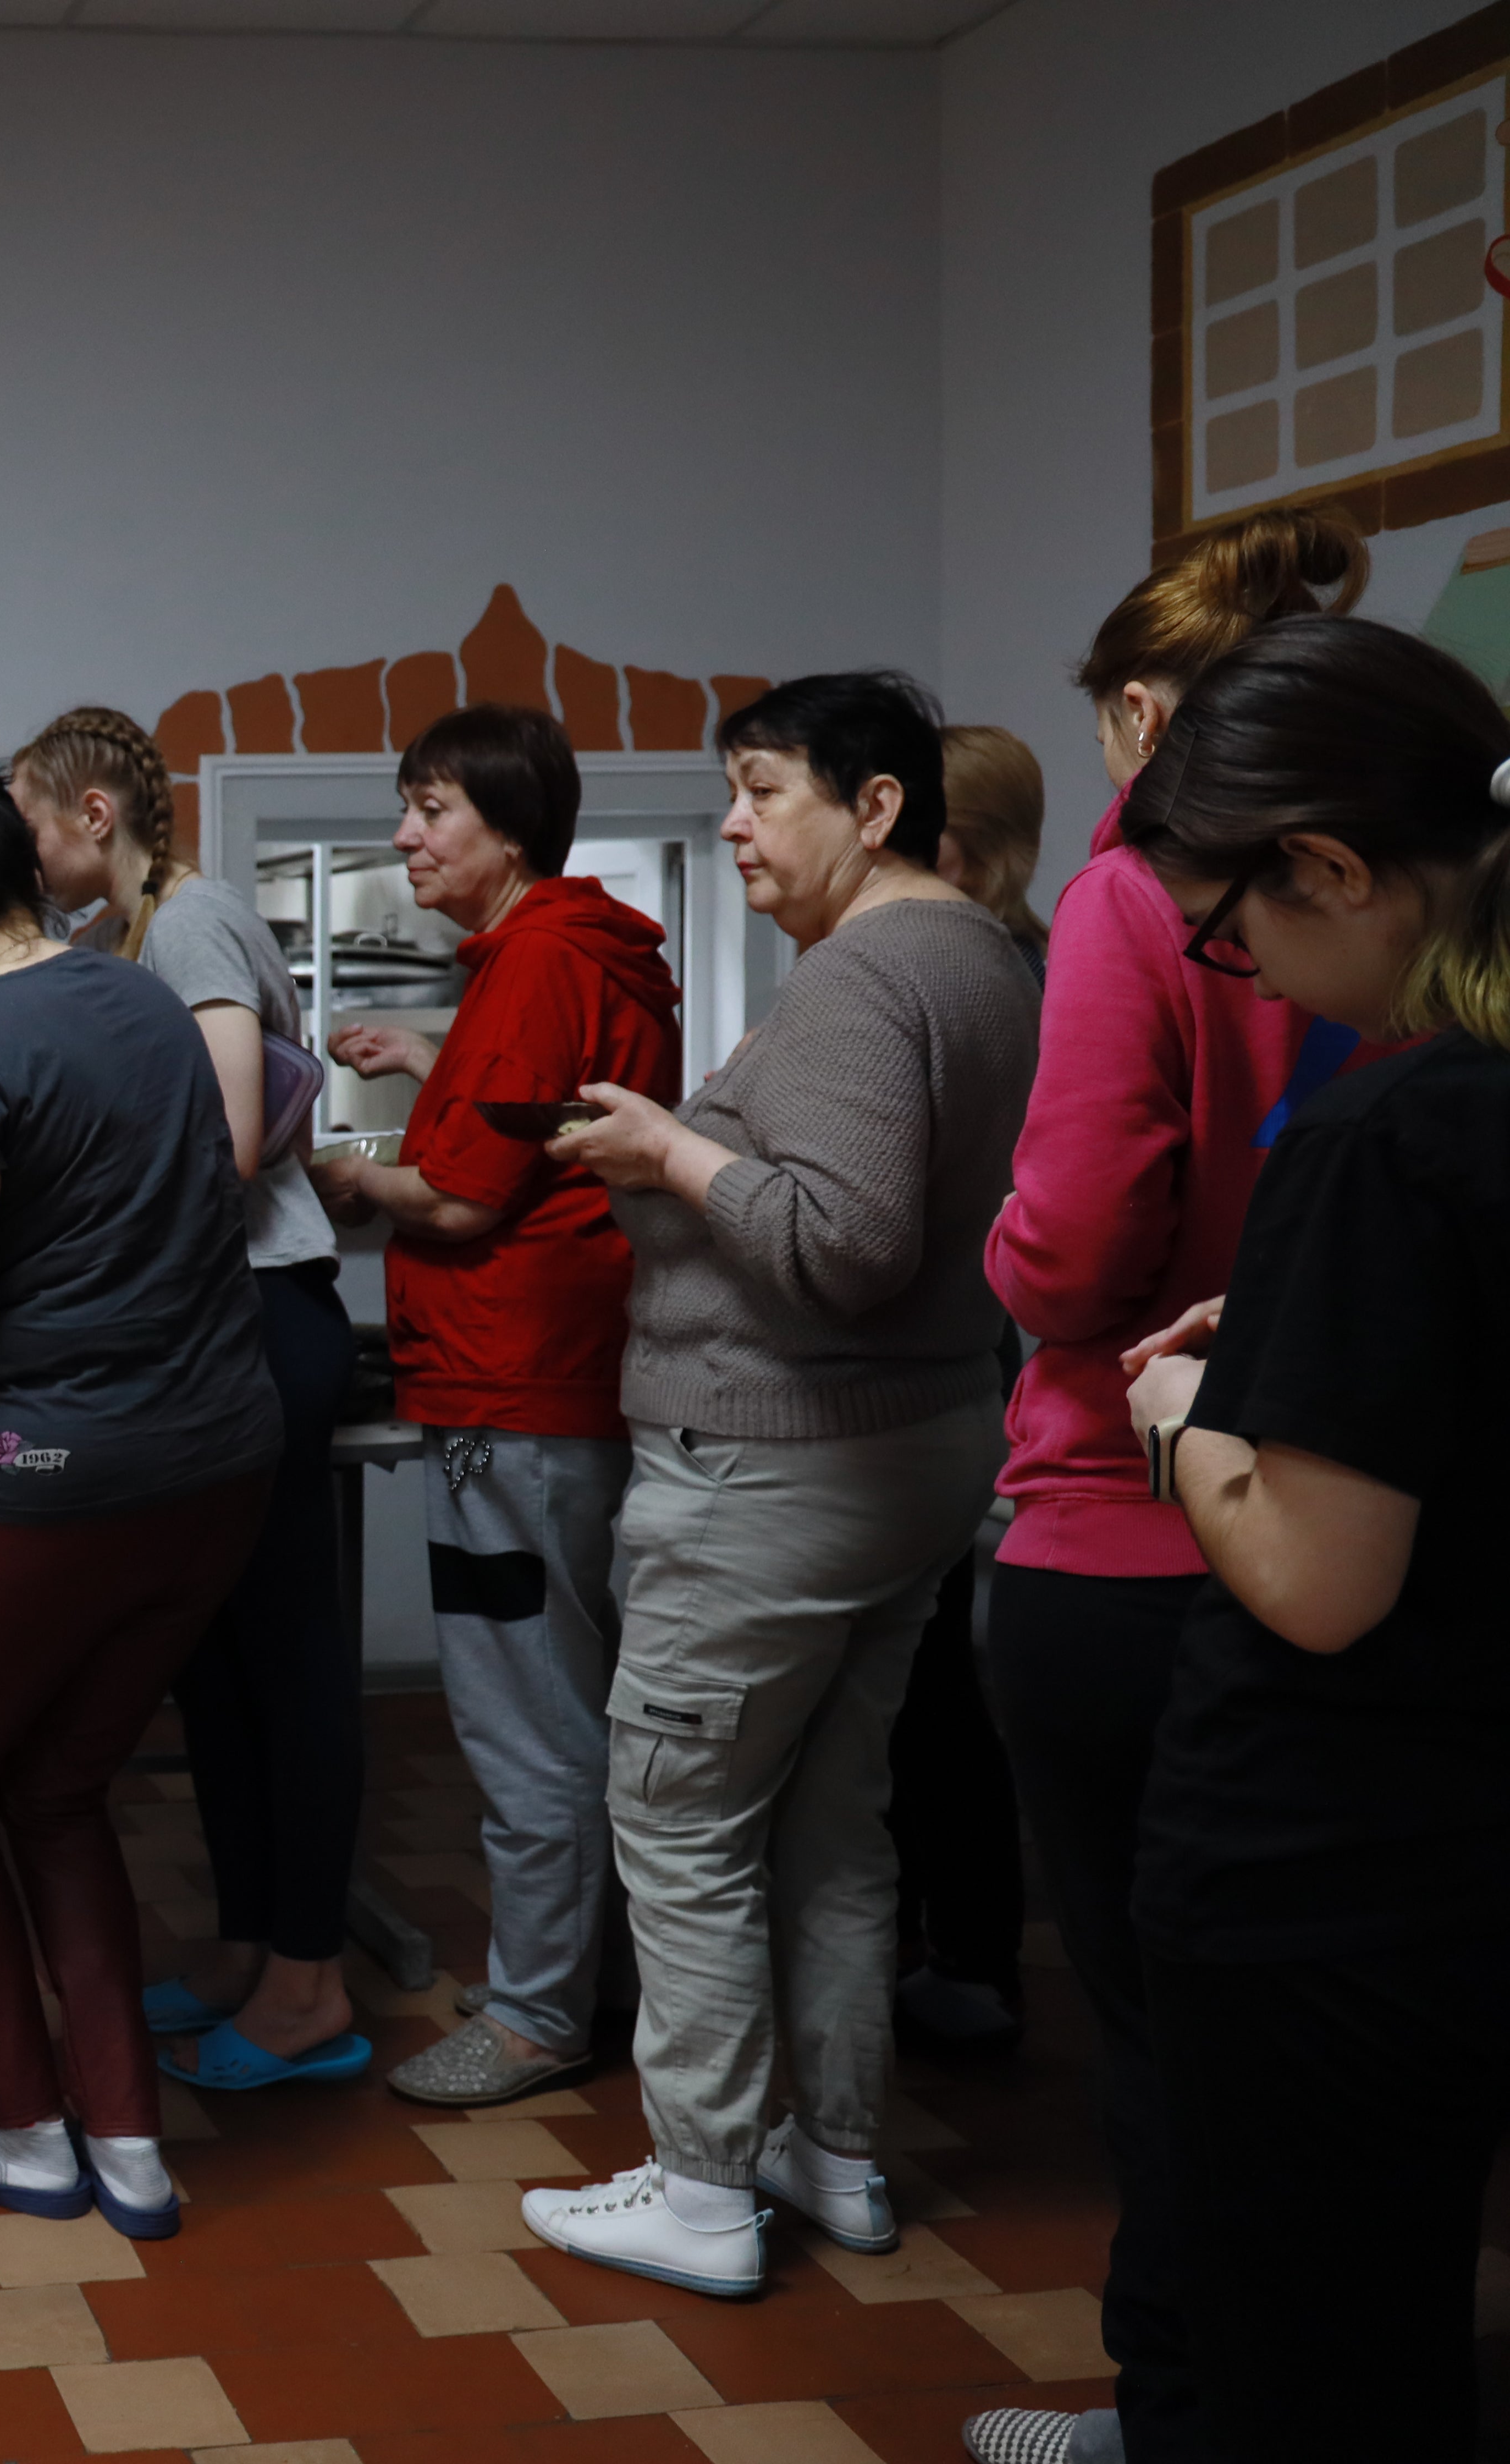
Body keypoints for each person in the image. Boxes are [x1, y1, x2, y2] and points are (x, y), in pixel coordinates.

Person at [532, 673, 1035, 2299]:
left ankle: (697, 2186)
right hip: (918, 1448)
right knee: (833, 1821)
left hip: (776, 1468)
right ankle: (832, 2152)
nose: (732, 824)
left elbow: (839, 1238)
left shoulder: (862, 971)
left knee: (675, 1821)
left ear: (872, 805)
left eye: (760, 790)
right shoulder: (984, 954)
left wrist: (665, 1148)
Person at [957, 508, 1367, 2464]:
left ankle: (1178, 2412)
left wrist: (998, 1248)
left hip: (1126, 1528)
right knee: (1307, 2035)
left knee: (1162, 2037)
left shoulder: (1135, 899)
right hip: (1345, 1516)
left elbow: (1070, 1252)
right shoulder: (1390, 914)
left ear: (1137, 713)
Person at [0, 705, 359, 2092]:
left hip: (55, 1463)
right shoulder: (136, 996)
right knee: (58, 1786)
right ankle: (124, 2140)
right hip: (209, 1450)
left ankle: (28, 2128)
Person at [1107, 616, 1510, 2464]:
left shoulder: (1388, 1131)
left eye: (1236, 923)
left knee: (1311, 2361)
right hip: (1466, 1840)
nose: (1241, 965)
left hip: (1328, 1874)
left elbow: (1318, 1583)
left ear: (1334, 869)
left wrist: (1195, 1425)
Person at [304, 703, 682, 2110]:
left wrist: (343, 1176)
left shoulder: (530, 968)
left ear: (509, 832)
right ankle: (597, 1979)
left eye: (432, 811)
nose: (406, 836)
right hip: (573, 1382)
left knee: (527, 1719)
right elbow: (527, 1126)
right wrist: (432, 1060)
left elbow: (463, 1196)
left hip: (507, 1394)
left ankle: (534, 2018)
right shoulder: (586, 953)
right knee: (587, 1700)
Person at [884, 722, 1050, 2066]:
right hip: (972, 1382)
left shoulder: (995, 982)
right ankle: (952, 1949)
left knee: (938, 1691)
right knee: (935, 1685)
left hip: (980, 1385)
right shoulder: (1026, 968)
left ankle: (967, 1956)